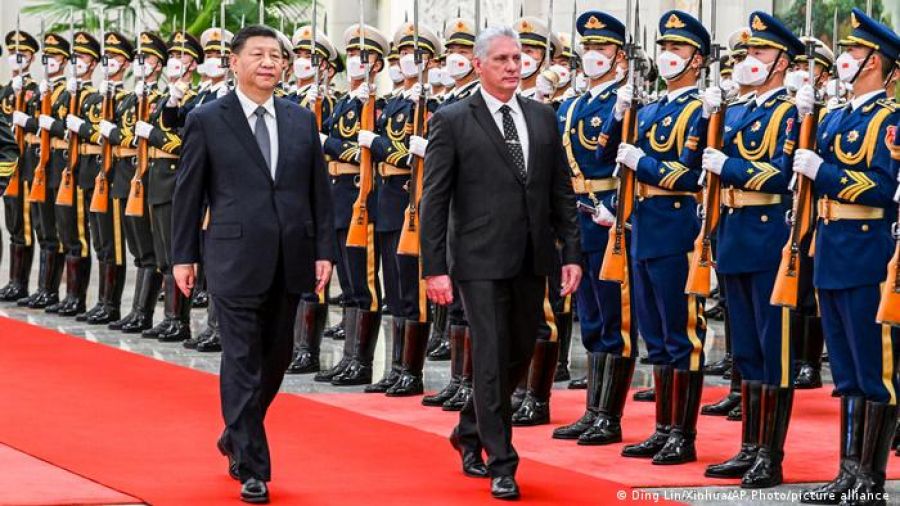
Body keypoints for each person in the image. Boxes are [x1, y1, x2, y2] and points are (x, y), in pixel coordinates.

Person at [172, 25, 335, 503]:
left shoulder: (300, 119)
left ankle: (235, 433)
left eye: (276, 56)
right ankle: (252, 465)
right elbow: (189, 192)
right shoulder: (207, 119)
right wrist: (183, 256)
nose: (269, 63)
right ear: (235, 62)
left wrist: (324, 250)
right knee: (241, 358)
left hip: (292, 255)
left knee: (276, 357)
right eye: (258, 54)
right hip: (234, 256)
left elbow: (318, 193)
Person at [420, 25, 581, 500]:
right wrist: (435, 267)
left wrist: (571, 254)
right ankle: (502, 461)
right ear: (479, 65)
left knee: (520, 350)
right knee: (489, 355)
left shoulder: (542, 117)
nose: (514, 67)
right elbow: (434, 199)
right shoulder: (452, 119)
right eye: (502, 59)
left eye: (518, 58)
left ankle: (470, 429)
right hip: (478, 258)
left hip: (533, 256)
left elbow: (560, 191)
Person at [794, 9, 899, 504]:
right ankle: (846, 473)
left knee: (874, 370)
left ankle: (870, 481)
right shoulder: (835, 116)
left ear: (875, 61)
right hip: (832, 250)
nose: (845, 57)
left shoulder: (890, 120)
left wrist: (826, 173)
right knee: (846, 372)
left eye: (854, 50)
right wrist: (801, 123)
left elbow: (882, 188)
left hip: (866, 252)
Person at [700, 12, 802, 488]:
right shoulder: (738, 109)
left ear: (782, 61)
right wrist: (709, 119)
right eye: (748, 51)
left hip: (766, 237)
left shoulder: (790, 113)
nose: (749, 59)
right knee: (745, 348)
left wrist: (732, 168)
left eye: (760, 51)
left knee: (772, 348)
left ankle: (770, 455)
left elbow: (782, 174)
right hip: (735, 234)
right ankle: (749, 447)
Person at [611, 9, 709, 466]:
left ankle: (682, 436)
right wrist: (617, 116)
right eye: (665, 47)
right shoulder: (649, 108)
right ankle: (664, 429)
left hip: (676, 226)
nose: (668, 55)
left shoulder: (700, 110)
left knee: (680, 334)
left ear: (697, 59)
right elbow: (608, 156)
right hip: (644, 225)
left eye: (677, 48)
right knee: (654, 333)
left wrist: (644, 164)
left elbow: (690, 175)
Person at [551, 9, 638, 445]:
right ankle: (593, 411)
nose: (591, 54)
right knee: (590, 317)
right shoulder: (571, 105)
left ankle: (610, 416)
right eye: (587, 47)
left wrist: (618, 210)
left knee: (614, 317)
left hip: (608, 217)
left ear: (619, 56)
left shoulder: (626, 105)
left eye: (600, 47)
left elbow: (627, 165)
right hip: (577, 217)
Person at [136, 30, 201, 342]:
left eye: (181, 56)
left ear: (193, 64)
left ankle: (179, 320)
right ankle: (169, 317)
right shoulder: (166, 97)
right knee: (163, 255)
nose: (175, 60)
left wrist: (154, 135)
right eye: (172, 55)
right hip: (157, 178)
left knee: (177, 254)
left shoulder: (194, 99)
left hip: (175, 179)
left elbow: (187, 142)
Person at [105, 31, 167, 334]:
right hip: (124, 177)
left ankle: (144, 313)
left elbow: (140, 136)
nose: (142, 63)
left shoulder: (160, 100)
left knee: (150, 249)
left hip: (146, 176)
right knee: (138, 250)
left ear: (158, 64)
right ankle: (135, 311)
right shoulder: (129, 99)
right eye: (139, 58)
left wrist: (117, 134)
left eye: (147, 58)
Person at [27, 32, 69, 311]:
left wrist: (50, 124)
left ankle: (56, 291)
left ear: (64, 61)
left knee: (60, 230)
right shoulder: (41, 91)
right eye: (47, 56)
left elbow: (68, 128)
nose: (49, 61)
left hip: (59, 166)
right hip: (39, 166)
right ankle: (44, 289)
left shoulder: (68, 93)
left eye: (54, 56)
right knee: (42, 228)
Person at [1, 29, 39, 303]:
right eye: (12, 53)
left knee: (25, 223)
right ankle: (13, 280)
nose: (16, 58)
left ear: (32, 58)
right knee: (13, 223)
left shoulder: (36, 91)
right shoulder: (4, 90)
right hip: (7, 167)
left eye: (22, 53)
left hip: (25, 163)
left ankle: (21, 283)